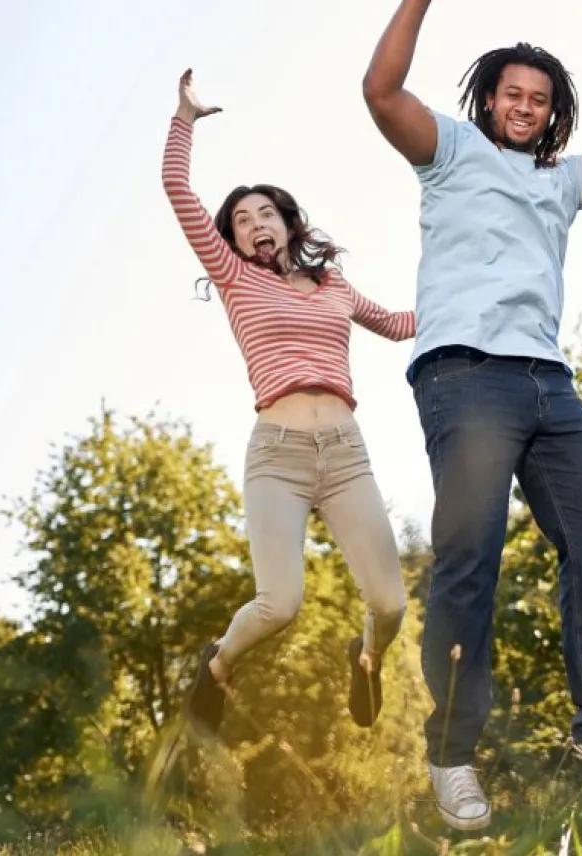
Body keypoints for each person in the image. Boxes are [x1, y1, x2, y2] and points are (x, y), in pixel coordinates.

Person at [361, 0, 582, 830]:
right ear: (488, 100)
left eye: (538, 97)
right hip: (464, 374)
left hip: (548, 384)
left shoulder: (560, 180)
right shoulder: (449, 151)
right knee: (471, 556)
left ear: (552, 109)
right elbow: (382, 91)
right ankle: (452, 752)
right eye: (511, 94)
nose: (525, 106)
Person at [164, 70, 412, 736]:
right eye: (241, 221)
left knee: (389, 605)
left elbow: (394, 323)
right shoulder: (234, 276)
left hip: (345, 454)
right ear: (236, 240)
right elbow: (177, 190)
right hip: (277, 456)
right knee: (280, 605)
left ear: (287, 221)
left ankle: (365, 659)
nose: (253, 225)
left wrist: (463, 306)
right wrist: (184, 117)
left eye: (264, 214)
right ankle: (218, 665)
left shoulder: (333, 284)